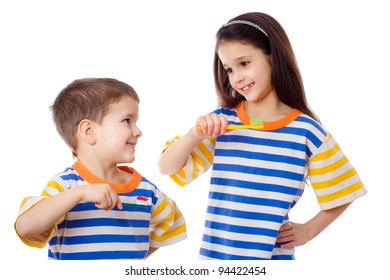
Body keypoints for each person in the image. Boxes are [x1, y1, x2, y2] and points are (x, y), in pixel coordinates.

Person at [158, 12, 367, 260]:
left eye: (244, 63)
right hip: (216, 260)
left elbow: (345, 190)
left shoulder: (306, 132)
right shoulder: (223, 123)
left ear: (273, 57)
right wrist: (194, 135)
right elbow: (166, 167)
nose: (237, 77)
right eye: (229, 69)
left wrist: (309, 230)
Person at [15, 78, 186, 260]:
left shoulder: (146, 191)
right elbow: (25, 227)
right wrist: (78, 194)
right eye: (127, 120)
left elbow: (172, 225)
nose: (138, 131)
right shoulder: (66, 186)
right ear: (89, 131)